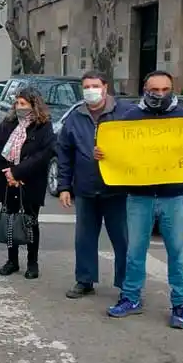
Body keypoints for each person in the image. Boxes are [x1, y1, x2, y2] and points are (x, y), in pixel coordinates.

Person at [107, 71, 183, 329]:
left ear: (172, 90)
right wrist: (103, 153)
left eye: (165, 89)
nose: (160, 94)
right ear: (145, 89)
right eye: (155, 90)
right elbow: (118, 153)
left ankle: (180, 304)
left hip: (173, 197)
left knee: (178, 253)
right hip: (138, 197)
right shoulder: (130, 118)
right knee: (134, 252)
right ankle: (131, 298)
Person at [57, 70, 133, 298]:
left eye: (95, 86)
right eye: (87, 87)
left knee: (123, 240)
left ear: (105, 87)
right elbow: (64, 154)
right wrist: (64, 187)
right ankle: (85, 279)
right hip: (86, 189)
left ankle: (127, 285)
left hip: (117, 190)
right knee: (84, 238)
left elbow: (138, 147)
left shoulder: (125, 113)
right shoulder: (75, 117)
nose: (91, 90)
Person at [0, 87, 55, 279]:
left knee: (30, 221)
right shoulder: (8, 123)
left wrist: (18, 172)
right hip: (7, 181)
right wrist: (9, 173)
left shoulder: (43, 126)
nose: (19, 107)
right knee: (10, 219)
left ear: (34, 105)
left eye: (23, 104)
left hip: (30, 180)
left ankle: (32, 263)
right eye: (17, 103)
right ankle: (12, 261)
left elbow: (44, 154)